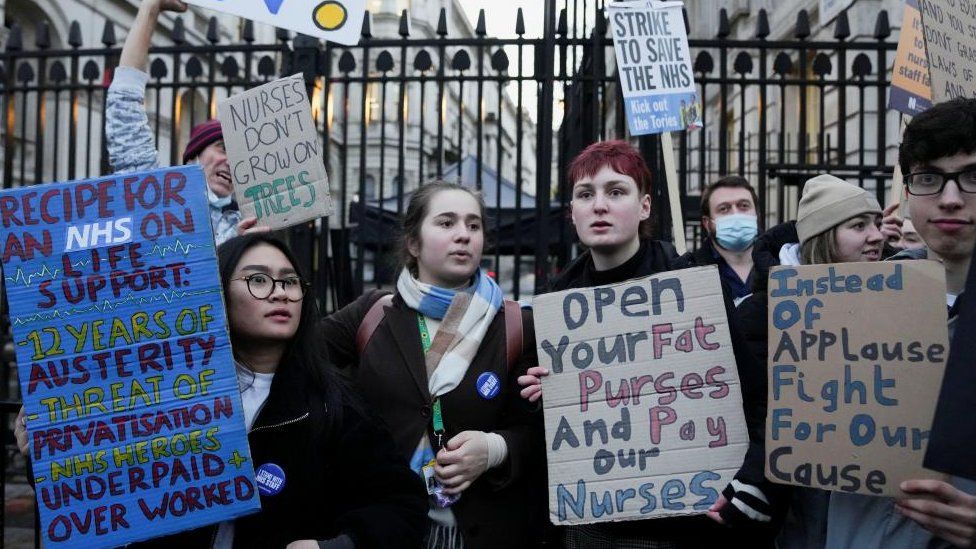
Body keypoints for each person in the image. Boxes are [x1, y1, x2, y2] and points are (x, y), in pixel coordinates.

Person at [15, 233, 427, 548]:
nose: (280, 292)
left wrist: (335, 546)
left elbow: (400, 507)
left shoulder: (334, 405)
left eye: (290, 281)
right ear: (218, 294)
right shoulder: (160, 394)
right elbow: (92, 494)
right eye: (258, 280)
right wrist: (46, 453)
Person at [520, 140, 780, 548]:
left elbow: (759, 398)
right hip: (597, 527)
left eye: (616, 191)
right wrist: (544, 399)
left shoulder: (695, 288)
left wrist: (754, 481)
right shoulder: (555, 308)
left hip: (692, 527)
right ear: (572, 213)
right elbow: (549, 440)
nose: (599, 205)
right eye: (585, 195)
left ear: (644, 207)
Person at [317, 181, 545, 549]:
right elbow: (290, 354)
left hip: (480, 531)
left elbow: (541, 433)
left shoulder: (517, 325)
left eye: (473, 225)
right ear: (413, 242)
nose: (463, 235)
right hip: (382, 528)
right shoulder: (372, 314)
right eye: (446, 223)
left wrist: (495, 449)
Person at [824, 97, 976, 549]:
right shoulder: (846, 308)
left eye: (972, 176)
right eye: (928, 178)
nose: (950, 199)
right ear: (907, 192)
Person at [732, 174, 885, 548]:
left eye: (878, 223)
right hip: (798, 506)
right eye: (859, 225)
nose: (878, 236)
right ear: (823, 236)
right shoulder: (763, 313)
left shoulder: (899, 304)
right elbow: (754, 414)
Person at [106, 0, 262, 245]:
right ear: (192, 158)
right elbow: (124, 102)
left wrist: (242, 253)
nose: (232, 162)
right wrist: (150, 8)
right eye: (223, 147)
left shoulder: (245, 228)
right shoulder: (152, 197)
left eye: (241, 157)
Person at [672, 175, 760, 307]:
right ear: (707, 224)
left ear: (756, 214)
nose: (735, 215)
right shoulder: (691, 272)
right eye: (724, 209)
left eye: (744, 205)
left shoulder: (784, 261)